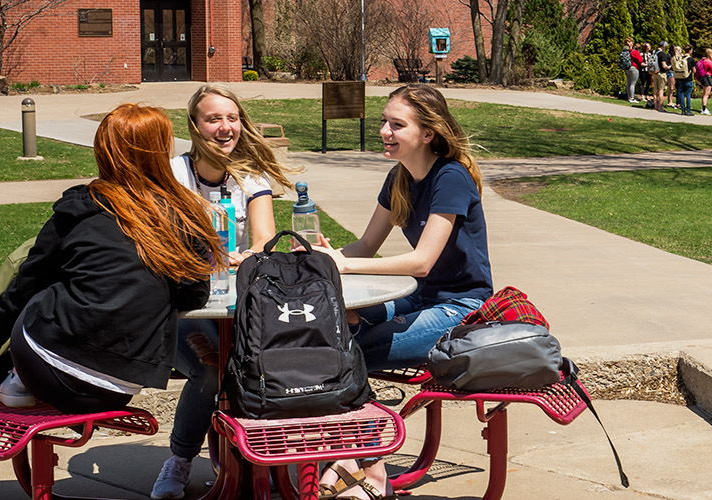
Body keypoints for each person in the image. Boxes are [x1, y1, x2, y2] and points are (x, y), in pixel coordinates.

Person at [0, 103, 217, 424]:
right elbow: (195, 296)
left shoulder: (80, 208)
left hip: (42, 366)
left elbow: (20, 292)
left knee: (48, 286)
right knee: (86, 314)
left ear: (104, 151)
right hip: (119, 387)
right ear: (162, 152)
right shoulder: (187, 215)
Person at [310, 84, 492, 499]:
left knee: (353, 352)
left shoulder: (451, 177)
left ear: (427, 133)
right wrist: (321, 259)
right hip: (421, 296)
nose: (385, 132)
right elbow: (364, 245)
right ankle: (347, 453)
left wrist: (347, 264)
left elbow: (422, 261)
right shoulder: (399, 177)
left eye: (397, 124)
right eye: (383, 122)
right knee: (330, 336)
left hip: (461, 305)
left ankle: (367, 463)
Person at [152, 83, 296, 500]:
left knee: (267, 362)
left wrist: (244, 256)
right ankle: (180, 461)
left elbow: (264, 242)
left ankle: (264, 458)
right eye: (214, 118)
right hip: (181, 308)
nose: (225, 127)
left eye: (232, 118)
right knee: (210, 370)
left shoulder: (250, 176)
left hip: (237, 303)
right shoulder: (174, 175)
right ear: (195, 126)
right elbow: (163, 246)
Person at [673, 45, 696, 116]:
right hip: (688, 79)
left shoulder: (680, 59)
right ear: (690, 50)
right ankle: (688, 110)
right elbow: (694, 70)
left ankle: (683, 110)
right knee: (688, 95)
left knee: (682, 94)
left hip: (680, 78)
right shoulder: (691, 59)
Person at [696, 48, 712, 115]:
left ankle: (704, 107)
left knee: (704, 93)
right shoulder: (708, 61)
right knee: (706, 94)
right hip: (707, 77)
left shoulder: (702, 60)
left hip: (703, 77)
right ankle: (704, 109)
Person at [659, 41, 676, 108]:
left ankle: (670, 100)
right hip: (669, 72)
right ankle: (669, 101)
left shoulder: (673, 56)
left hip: (673, 72)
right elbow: (666, 64)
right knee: (671, 87)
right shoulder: (668, 56)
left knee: (672, 87)